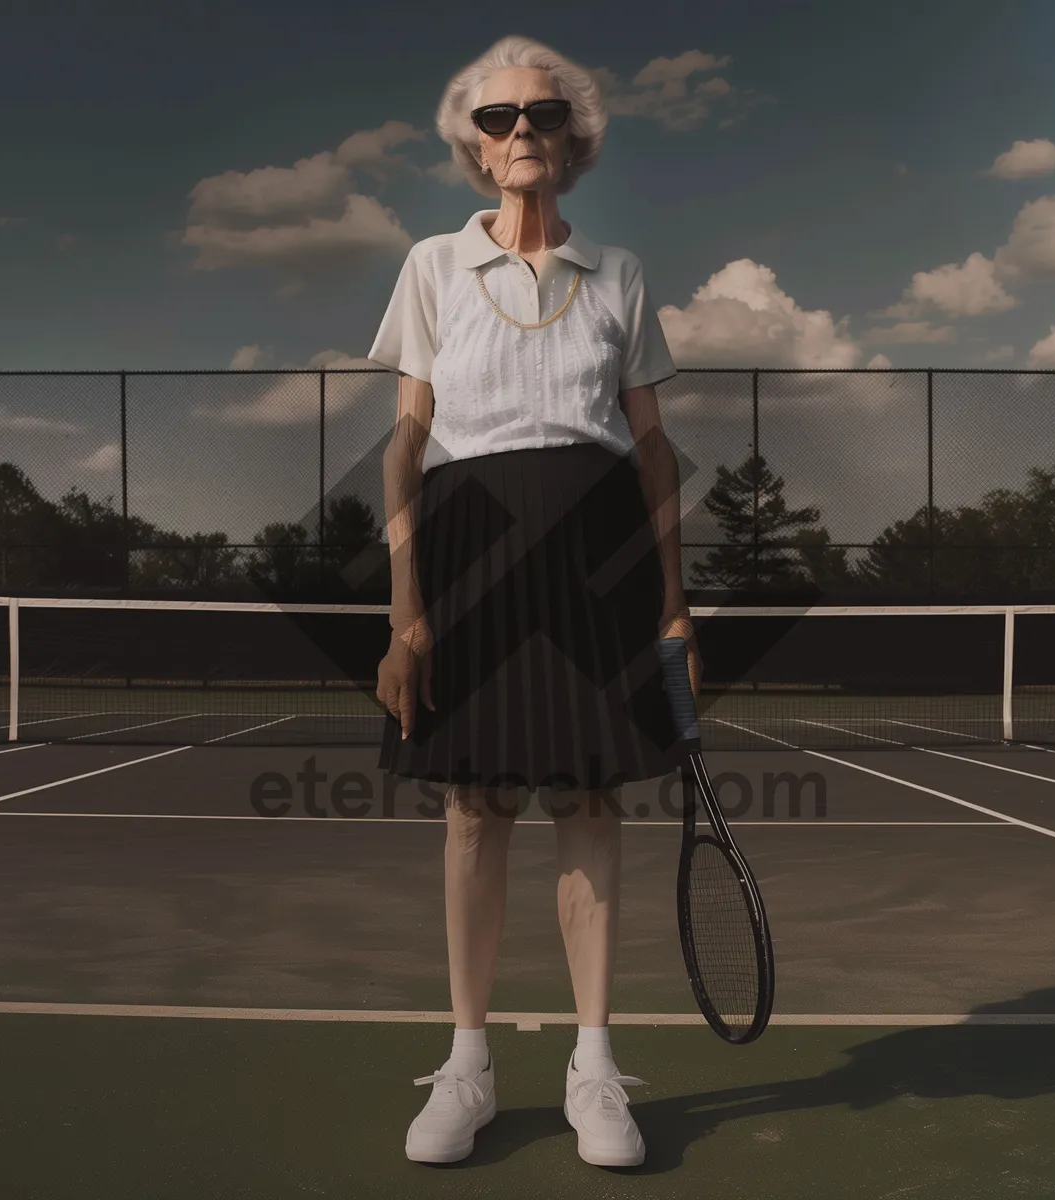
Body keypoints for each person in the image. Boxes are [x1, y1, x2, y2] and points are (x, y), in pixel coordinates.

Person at [368, 34, 702, 1169]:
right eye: (499, 119)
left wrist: (673, 609)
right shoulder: (429, 266)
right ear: (473, 143)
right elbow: (406, 442)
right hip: (466, 552)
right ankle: (466, 1063)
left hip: (597, 551)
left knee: (592, 808)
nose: (521, 134)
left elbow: (654, 454)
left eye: (543, 116)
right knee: (473, 807)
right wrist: (405, 613)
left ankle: (594, 1068)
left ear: (575, 138)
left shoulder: (622, 274)